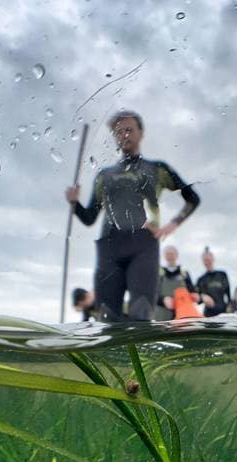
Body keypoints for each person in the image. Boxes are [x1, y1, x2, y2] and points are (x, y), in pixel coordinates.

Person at [65, 110, 200, 321]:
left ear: (141, 133)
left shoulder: (157, 169)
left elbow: (192, 199)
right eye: (118, 132)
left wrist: (171, 225)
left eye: (129, 130)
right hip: (109, 247)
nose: (124, 135)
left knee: (141, 315)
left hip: (143, 246)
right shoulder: (104, 176)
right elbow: (90, 217)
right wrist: (74, 203)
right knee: (107, 319)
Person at [154, 245, 199, 321]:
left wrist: (195, 296)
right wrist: (163, 300)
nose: (170, 256)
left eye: (172, 254)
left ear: (177, 255)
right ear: (164, 256)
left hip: (183, 315)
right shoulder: (159, 274)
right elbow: (153, 295)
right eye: (168, 254)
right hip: (162, 316)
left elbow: (192, 291)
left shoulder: (185, 274)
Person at [196, 247, 232, 317]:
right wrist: (203, 297)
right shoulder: (201, 279)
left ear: (213, 259)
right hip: (208, 314)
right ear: (203, 262)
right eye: (205, 260)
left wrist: (229, 307)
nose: (207, 262)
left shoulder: (222, 275)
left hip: (223, 313)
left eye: (209, 259)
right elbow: (196, 298)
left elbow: (228, 294)